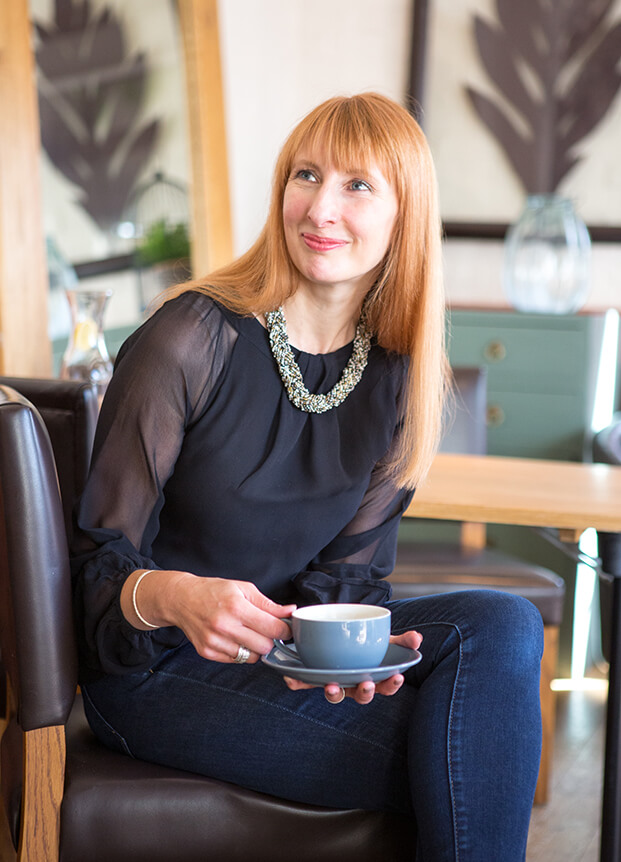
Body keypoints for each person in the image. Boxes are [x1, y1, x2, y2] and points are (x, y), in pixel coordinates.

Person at [71, 92, 543, 860]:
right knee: (472, 754)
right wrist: (177, 596)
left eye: (357, 185)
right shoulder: (190, 338)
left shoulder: (396, 378)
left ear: (404, 216)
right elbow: (92, 565)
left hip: (283, 664)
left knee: (504, 623)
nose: (320, 206)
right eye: (305, 175)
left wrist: (348, 666)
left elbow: (349, 581)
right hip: (154, 674)